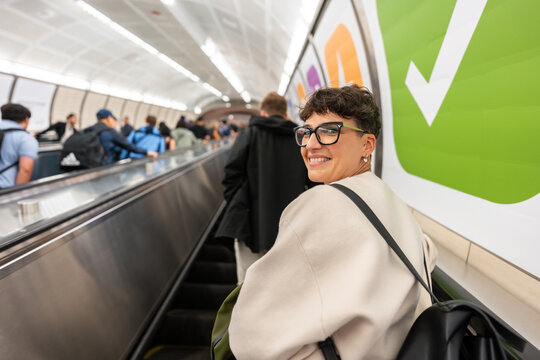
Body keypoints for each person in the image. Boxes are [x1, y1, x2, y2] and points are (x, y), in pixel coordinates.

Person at [228, 85, 437, 359]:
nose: (311, 145)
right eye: (306, 132)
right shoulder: (395, 205)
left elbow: (250, 337)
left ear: (368, 145)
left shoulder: (321, 204)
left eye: (330, 131)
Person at [215, 91, 311, 282]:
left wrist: (241, 202)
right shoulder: (301, 139)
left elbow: (231, 176)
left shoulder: (249, 134)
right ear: (285, 114)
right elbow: (312, 179)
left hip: (251, 224)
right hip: (291, 228)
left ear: (263, 113)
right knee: (284, 282)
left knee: (247, 285)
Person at [93, 109, 157, 164]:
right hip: (105, 167)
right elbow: (128, 145)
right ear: (109, 118)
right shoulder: (110, 132)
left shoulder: (90, 130)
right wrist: (146, 152)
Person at [0, 104, 38, 188]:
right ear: (26, 120)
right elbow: (25, 169)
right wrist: (18, 194)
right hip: (5, 189)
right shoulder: (25, 138)